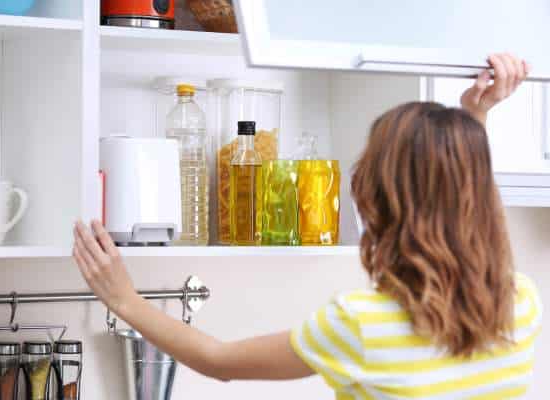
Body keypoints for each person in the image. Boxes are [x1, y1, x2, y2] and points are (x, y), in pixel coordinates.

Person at [72, 53, 542, 399]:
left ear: (379, 200)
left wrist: (124, 300)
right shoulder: (519, 305)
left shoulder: (361, 324)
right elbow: (468, 198)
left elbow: (218, 362)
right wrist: (474, 118)